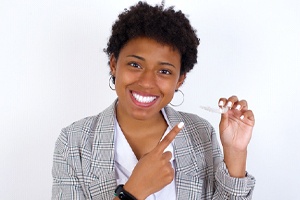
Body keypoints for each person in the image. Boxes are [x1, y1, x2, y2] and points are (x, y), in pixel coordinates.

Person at [52, 1, 256, 199]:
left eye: (164, 71)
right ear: (114, 64)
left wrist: (235, 152)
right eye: (135, 65)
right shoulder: (74, 141)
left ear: (180, 80)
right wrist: (133, 192)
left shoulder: (201, 133)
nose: (147, 82)